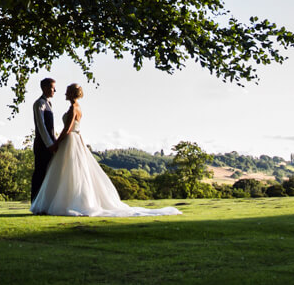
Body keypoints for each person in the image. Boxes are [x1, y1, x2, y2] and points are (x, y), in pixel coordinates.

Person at [29, 84, 181, 218]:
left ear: (72, 94)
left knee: (70, 172)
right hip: (75, 140)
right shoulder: (74, 107)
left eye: (67, 91)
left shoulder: (74, 108)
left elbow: (67, 130)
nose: (63, 93)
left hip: (70, 141)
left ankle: (69, 201)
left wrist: (56, 143)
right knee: (71, 172)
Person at [30, 78, 60, 200]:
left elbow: (51, 128)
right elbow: (41, 126)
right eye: (53, 88)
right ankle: (35, 202)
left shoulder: (49, 104)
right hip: (42, 145)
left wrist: (56, 141)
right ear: (45, 88)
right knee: (40, 173)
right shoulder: (39, 103)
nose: (55, 90)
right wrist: (49, 144)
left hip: (50, 144)